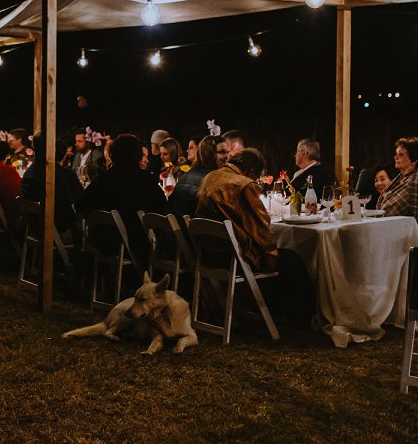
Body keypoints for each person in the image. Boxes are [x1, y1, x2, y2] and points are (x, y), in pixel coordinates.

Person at [195, 148, 314, 323]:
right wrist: (270, 260)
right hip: (234, 258)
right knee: (292, 261)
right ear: (252, 172)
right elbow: (261, 230)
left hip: (209, 255)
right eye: (256, 177)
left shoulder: (210, 177)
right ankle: (299, 320)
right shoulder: (245, 185)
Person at [75, 133, 166, 272]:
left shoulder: (104, 178)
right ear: (137, 155)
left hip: (103, 244)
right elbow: (163, 210)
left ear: (113, 155)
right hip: (135, 246)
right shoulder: (146, 180)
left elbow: (80, 206)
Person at [168, 134, 224, 219]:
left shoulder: (185, 176)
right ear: (209, 153)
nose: (228, 156)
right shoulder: (212, 181)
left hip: (180, 226)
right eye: (222, 152)